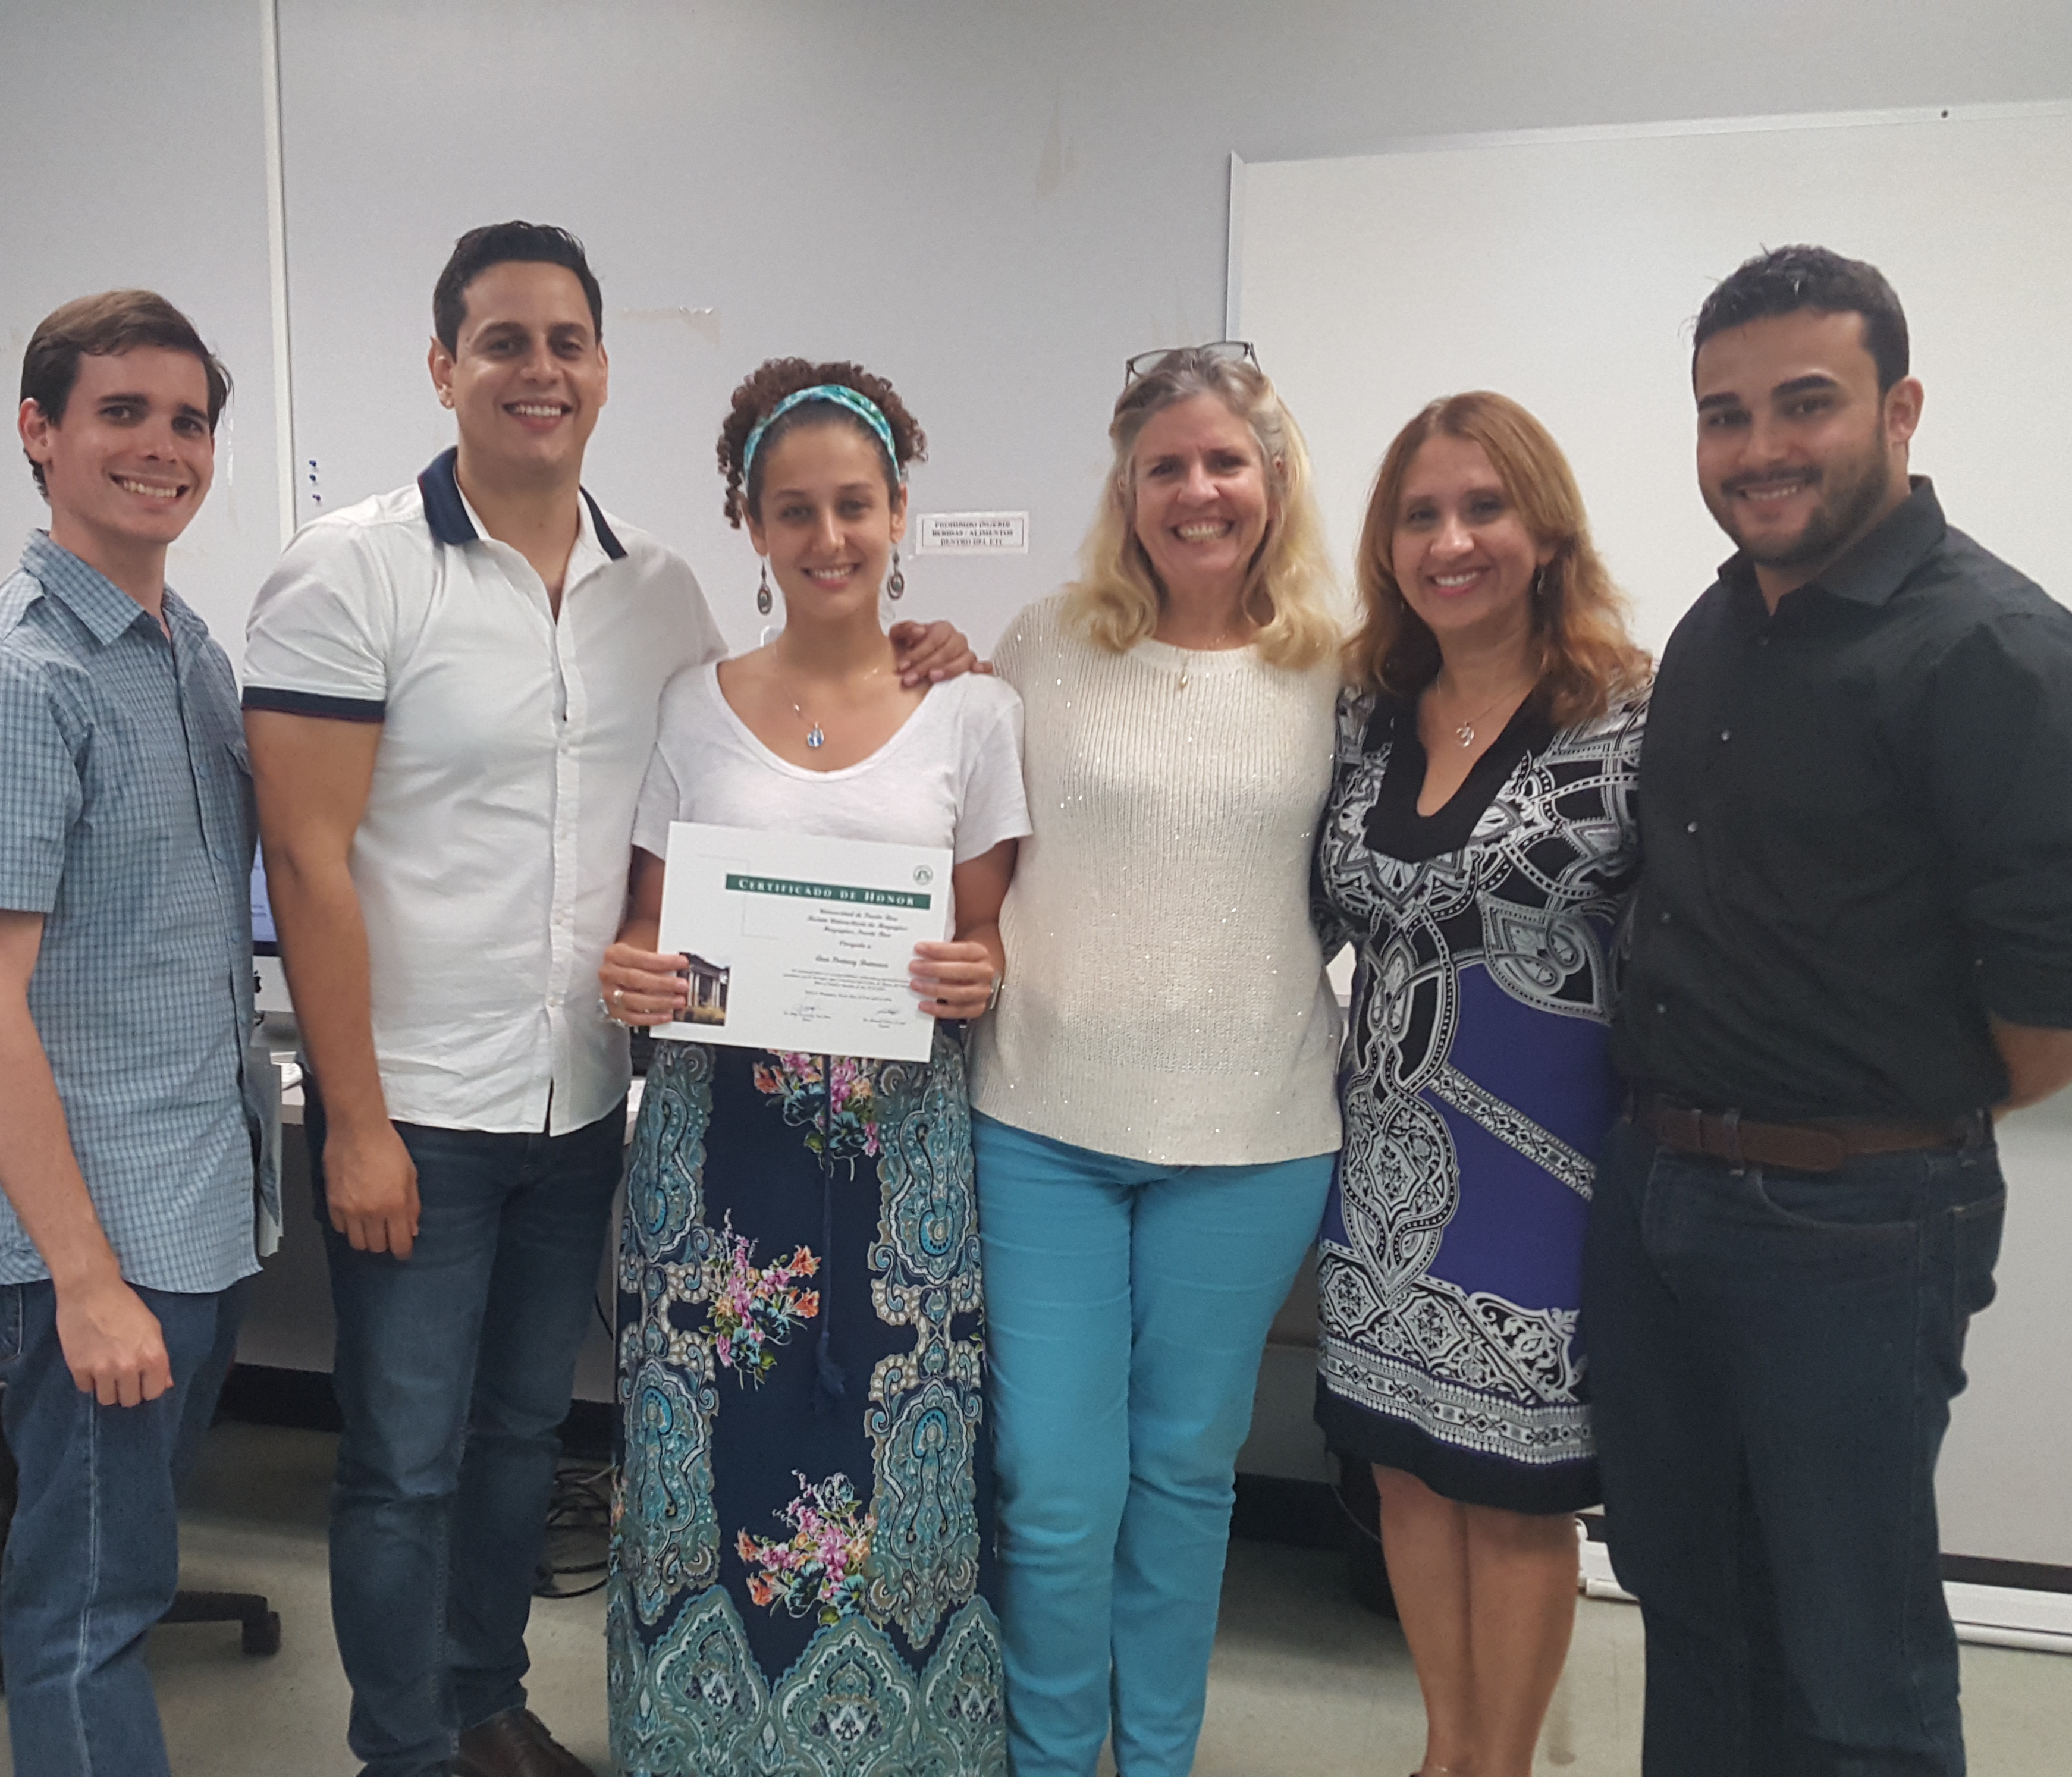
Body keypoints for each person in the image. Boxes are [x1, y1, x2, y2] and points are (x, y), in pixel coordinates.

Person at [242, 223, 975, 1777]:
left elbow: (744, 801)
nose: (538, 370)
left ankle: (483, 1694)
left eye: (566, 340)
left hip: (585, 1100)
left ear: (601, 367)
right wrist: (352, 1119)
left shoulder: (665, 595)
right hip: (416, 1108)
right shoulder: (352, 569)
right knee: (403, 1461)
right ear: (443, 365)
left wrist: (925, 660)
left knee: (523, 1439)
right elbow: (305, 863)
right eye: (502, 341)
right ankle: (405, 1747)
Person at [1588, 245, 2072, 1776]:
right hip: (1657, 1196)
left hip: (1852, 1219)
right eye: (1724, 414)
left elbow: (2065, 1002)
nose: (1758, 448)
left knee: (1858, 1661)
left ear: (1900, 411)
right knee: (1691, 1610)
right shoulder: (1715, 628)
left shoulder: (1992, 651)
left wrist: (1878, 1129)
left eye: (1805, 403)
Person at [597, 360, 1026, 1775]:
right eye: (795, 510)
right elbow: (649, 930)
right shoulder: (688, 702)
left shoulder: (976, 714)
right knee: (711, 1467)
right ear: (751, 523)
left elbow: (989, 935)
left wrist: (982, 968)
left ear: (901, 509)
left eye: (855, 504)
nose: (829, 537)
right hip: (719, 1158)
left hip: (898, 1164)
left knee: (899, 1452)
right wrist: (634, 975)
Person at [0, 289, 278, 1777]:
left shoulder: (185, 660)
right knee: (86, 1602)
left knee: (123, 1572)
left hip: (198, 1197)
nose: (161, 447)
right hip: (97, 1233)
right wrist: (87, 1280)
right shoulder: (2, 682)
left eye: (187, 420)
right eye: (121, 412)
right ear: (39, 434)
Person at [969, 342, 1346, 1777]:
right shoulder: (1043, 644)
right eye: (1165, 466)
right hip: (1043, 1120)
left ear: (1273, 481)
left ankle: (1161, 1760)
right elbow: (962, 832)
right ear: (1126, 490)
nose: (1198, 491)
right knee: (1055, 1487)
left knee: (1185, 1481)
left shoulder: (1342, 668)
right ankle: (1055, 1762)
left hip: (1252, 1136)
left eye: (1225, 463)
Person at [1314, 393, 1650, 1777]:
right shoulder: (1364, 714)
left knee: (1516, 1502)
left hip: (1548, 1181)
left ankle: (1494, 1767)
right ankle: (1444, 1750)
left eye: (1483, 508)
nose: (1452, 541)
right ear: (1387, 545)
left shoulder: (1631, 715)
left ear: (1545, 527)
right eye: (1419, 515)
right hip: (1382, 1167)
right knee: (1402, 1466)